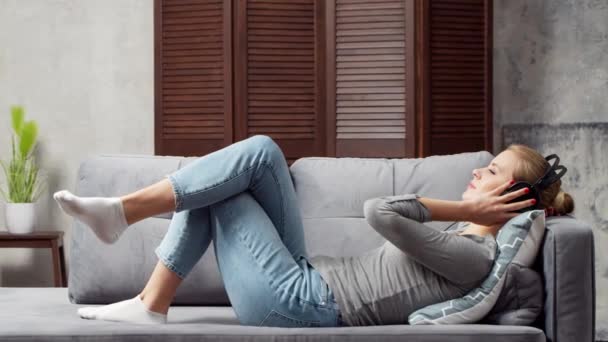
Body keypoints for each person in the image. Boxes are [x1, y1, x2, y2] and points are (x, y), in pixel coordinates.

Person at [53, 135, 574, 327]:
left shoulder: (474, 258)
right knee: (259, 154)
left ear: (510, 200)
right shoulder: (464, 236)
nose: (478, 173)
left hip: (298, 302)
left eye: (492, 175)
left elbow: (381, 212)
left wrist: (466, 210)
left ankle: (127, 229)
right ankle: (135, 256)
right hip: (303, 279)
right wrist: (472, 209)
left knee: (225, 187)